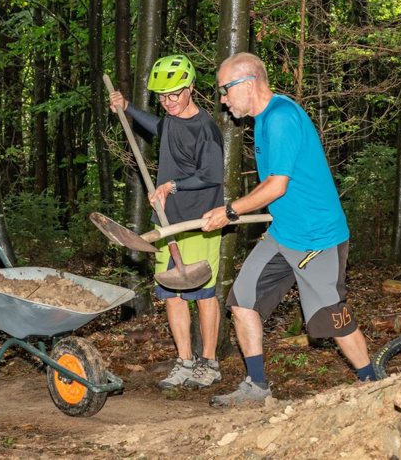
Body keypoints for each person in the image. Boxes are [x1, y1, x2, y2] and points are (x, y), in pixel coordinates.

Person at [201, 52, 376, 408]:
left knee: (334, 320)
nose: (222, 99)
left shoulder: (280, 118)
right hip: (284, 233)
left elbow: (276, 185)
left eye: (225, 90)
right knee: (244, 299)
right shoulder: (263, 119)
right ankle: (256, 387)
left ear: (248, 84)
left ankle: (374, 385)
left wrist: (230, 211)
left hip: (317, 239)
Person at [108, 54, 225, 390]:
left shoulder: (206, 130)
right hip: (166, 221)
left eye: (175, 94)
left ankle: (210, 362)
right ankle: (185, 361)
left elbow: (211, 176)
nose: (168, 102)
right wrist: (128, 107)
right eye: (162, 97)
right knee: (172, 294)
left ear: (191, 89)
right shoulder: (170, 120)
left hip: (200, 222)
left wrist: (172, 185)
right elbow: (158, 127)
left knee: (203, 294)